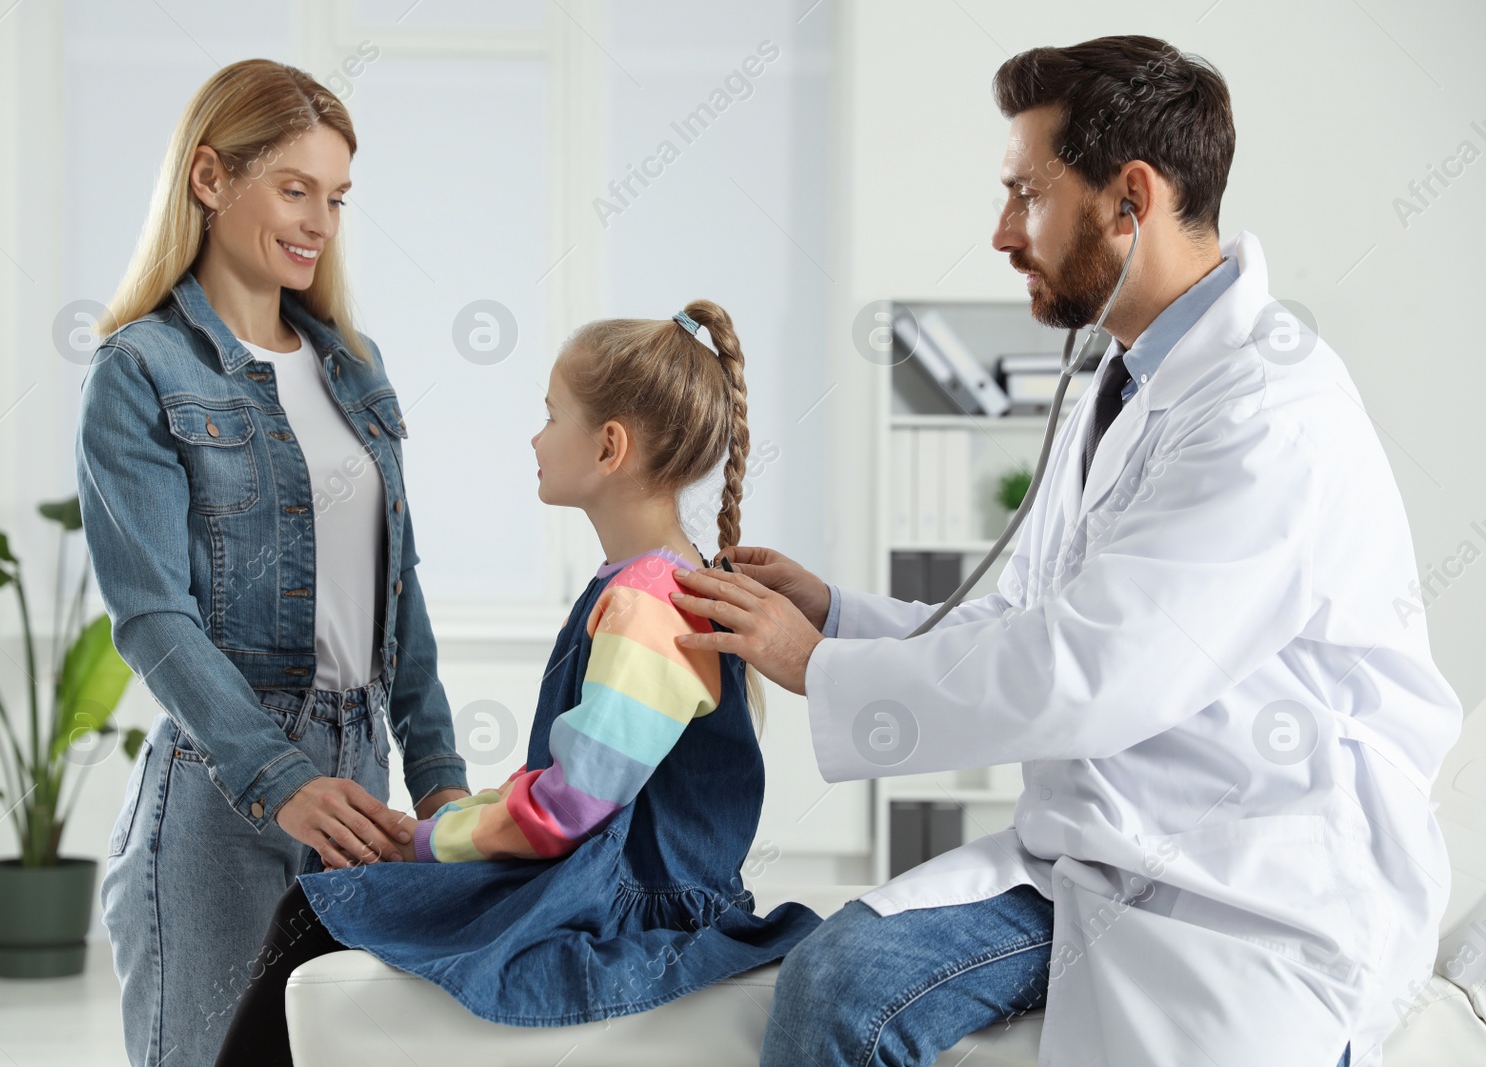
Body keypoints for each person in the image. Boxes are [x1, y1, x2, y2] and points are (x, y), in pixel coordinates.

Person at [670, 35, 1462, 1067]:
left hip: (1248, 888)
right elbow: (1030, 623)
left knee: (847, 996)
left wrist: (813, 667)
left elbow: (1093, 669)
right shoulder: (1118, 381)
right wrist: (835, 615)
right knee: (838, 977)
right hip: (1096, 851)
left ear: (1128, 199)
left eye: (1025, 194)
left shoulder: (1271, 415)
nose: (1001, 231)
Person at [213, 301, 823, 1064]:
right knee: (323, 902)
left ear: (609, 446)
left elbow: (570, 806)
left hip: (622, 907)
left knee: (316, 912)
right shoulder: (645, 584)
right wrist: (442, 826)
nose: (535, 436)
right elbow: (566, 786)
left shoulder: (650, 603)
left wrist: (426, 840)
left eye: (551, 413)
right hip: (601, 882)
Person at [76, 59, 470, 1067]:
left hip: (363, 777)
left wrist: (439, 782)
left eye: (335, 197)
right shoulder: (141, 370)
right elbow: (152, 613)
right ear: (209, 177)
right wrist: (279, 773)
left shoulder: (352, 365)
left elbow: (398, 589)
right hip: (222, 794)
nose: (319, 222)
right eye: (294, 189)